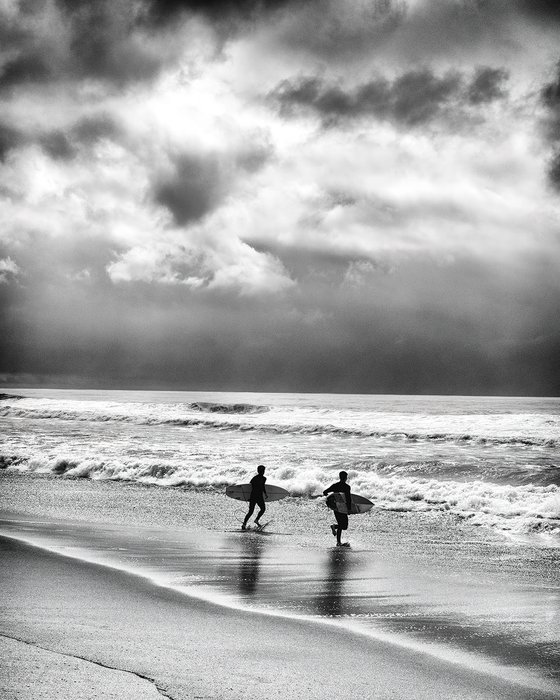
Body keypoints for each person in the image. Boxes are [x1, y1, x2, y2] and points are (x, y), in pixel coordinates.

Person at [323, 471, 352, 547]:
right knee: (343, 525)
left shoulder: (335, 485)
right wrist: (349, 509)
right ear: (346, 478)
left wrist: (329, 498)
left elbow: (325, 492)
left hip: (336, 507)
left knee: (343, 526)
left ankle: (334, 527)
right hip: (343, 508)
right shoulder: (347, 487)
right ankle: (338, 542)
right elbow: (348, 499)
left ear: (340, 477)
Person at [242, 465, 268, 530]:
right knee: (251, 511)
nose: (263, 472)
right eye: (262, 471)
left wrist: (265, 494)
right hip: (255, 496)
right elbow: (250, 487)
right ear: (258, 471)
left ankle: (255, 520)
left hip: (256, 496)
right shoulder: (256, 478)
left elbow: (262, 487)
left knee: (262, 509)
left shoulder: (262, 478)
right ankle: (244, 524)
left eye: (263, 471)